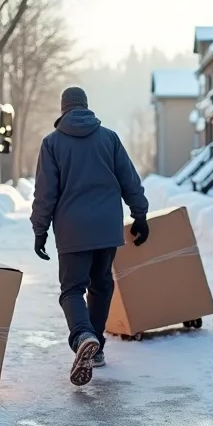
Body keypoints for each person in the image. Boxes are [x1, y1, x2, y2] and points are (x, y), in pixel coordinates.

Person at [31, 86, 150, 386]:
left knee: (72, 290)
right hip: (107, 229)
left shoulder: (52, 143)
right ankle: (95, 348)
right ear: (86, 107)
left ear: (63, 110)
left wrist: (39, 229)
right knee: (101, 286)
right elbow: (129, 180)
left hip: (73, 231)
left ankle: (83, 336)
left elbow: (45, 193)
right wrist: (140, 215)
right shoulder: (108, 138)